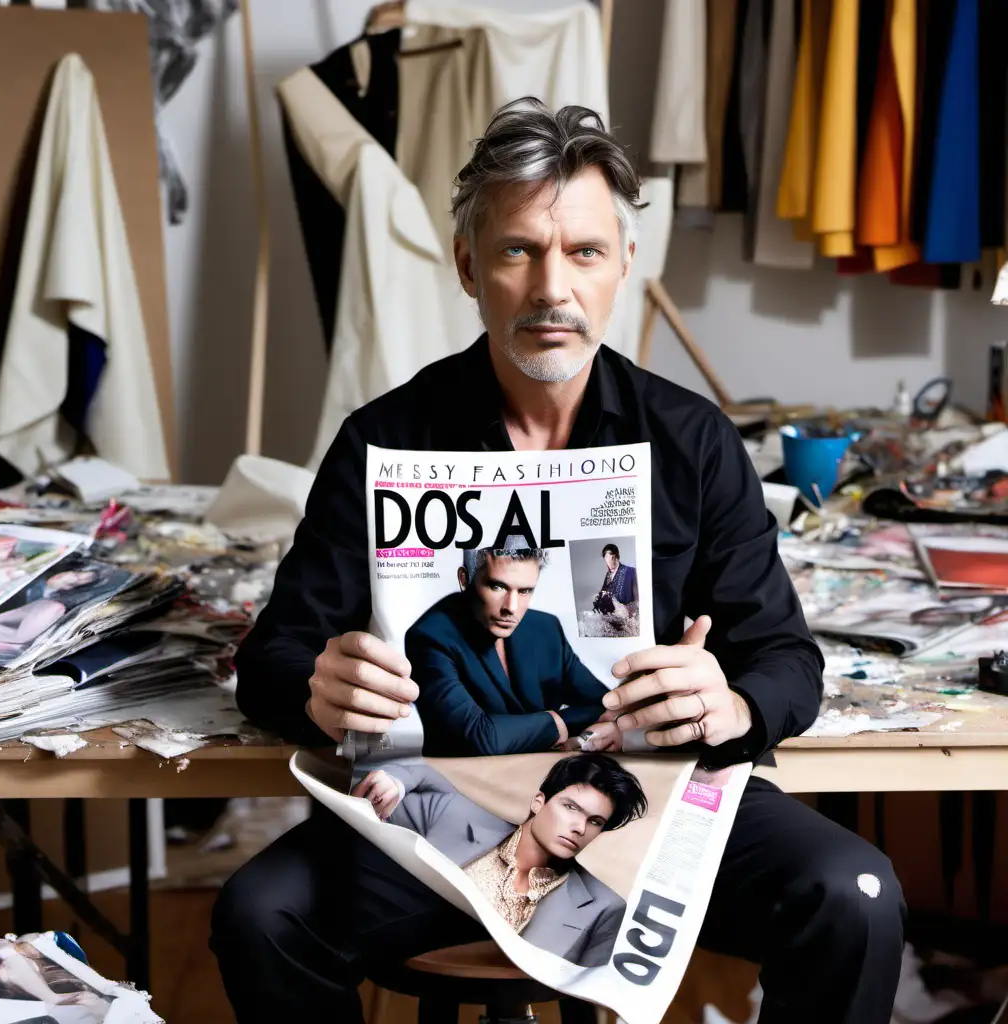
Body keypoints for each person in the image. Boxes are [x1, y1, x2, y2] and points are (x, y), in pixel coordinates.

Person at [214, 98, 904, 1023]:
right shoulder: (385, 438)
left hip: (648, 800)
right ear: (469, 267)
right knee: (261, 915)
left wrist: (729, 701)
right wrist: (316, 688)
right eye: (516, 251)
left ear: (622, 265)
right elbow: (274, 656)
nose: (552, 287)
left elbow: (785, 659)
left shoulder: (691, 439)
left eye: (583, 251)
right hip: (439, 807)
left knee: (852, 898)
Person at [353, 752, 646, 967]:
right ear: (539, 801)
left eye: (594, 821)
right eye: (570, 807)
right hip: (401, 952)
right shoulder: (453, 816)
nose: (579, 828)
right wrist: (395, 780)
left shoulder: (605, 907)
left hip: (510, 986)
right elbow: (420, 775)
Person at [406, 544, 621, 756]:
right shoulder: (430, 636)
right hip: (458, 781)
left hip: (547, 775)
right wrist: (556, 722)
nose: (511, 607)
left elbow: (604, 705)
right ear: (465, 580)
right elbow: (477, 736)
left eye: (525, 590)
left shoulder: (545, 629)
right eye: (497, 586)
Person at [592, 542, 637, 617]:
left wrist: (627, 609)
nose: (606, 562)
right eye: (605, 558)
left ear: (615, 556)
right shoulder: (608, 575)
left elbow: (640, 600)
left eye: (607, 557)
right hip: (611, 617)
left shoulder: (631, 572)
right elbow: (603, 593)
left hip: (628, 619)